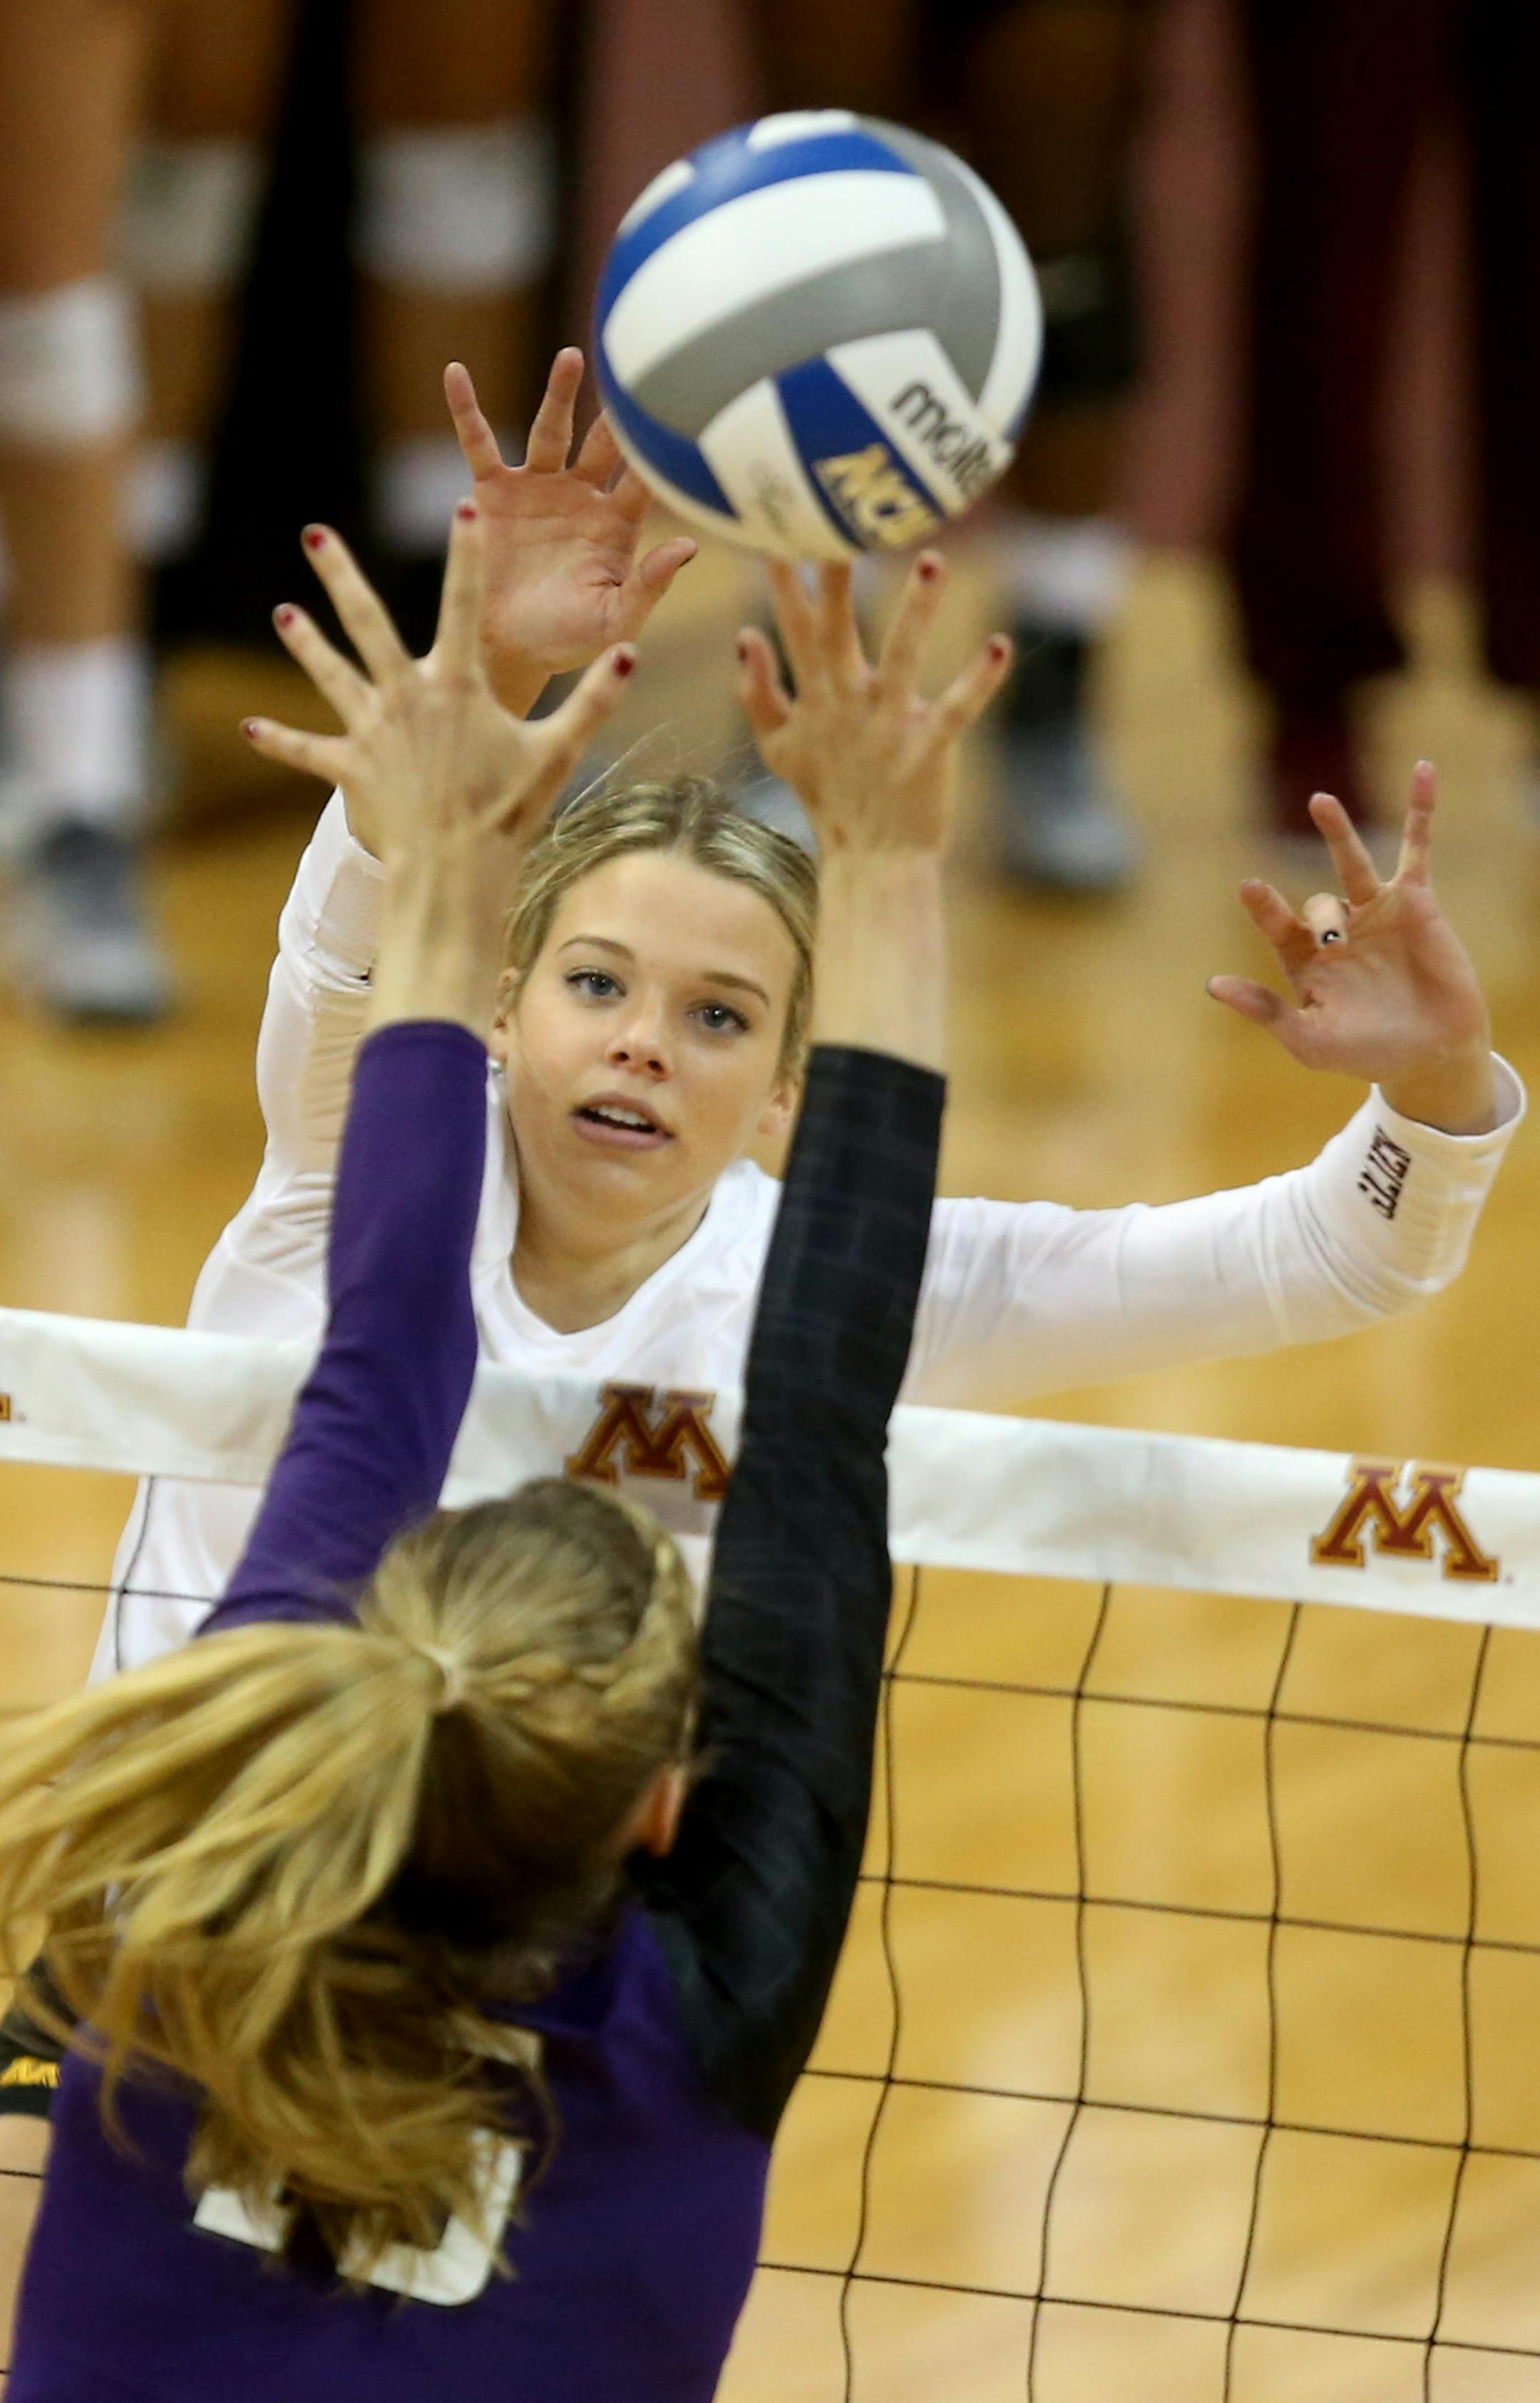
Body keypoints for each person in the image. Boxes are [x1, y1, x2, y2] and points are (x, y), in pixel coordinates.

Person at [83, 349, 1521, 1680]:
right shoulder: (360, 1161)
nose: (643, 1037)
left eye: (719, 1017)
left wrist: (1438, 1087)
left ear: (786, 1089)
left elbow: (1337, 1252)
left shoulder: (828, 1282)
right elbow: (375, 899)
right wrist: (506, 663)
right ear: (504, 1012)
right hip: (161, 1924)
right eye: (597, 983)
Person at [0, 498, 988, 2399]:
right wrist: (890, 858)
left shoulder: (173, 1924)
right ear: (658, 1808)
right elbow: (825, 1418)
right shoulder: (695, 2041)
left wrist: (454, 856)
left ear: (341, 1662)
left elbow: (388, 1349)